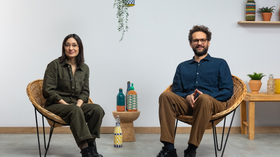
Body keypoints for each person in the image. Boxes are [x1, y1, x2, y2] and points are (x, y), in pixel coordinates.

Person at [157, 25, 233, 157]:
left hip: (213, 104)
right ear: (191, 44)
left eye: (202, 40)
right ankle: (169, 148)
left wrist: (207, 96)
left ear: (208, 42)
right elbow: (176, 90)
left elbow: (227, 91)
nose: (199, 43)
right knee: (165, 96)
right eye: (196, 40)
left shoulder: (220, 63)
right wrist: (186, 96)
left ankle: (191, 149)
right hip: (189, 105)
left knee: (203, 99)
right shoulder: (182, 66)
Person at [42, 34, 105, 157]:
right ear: (63, 48)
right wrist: (67, 105)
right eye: (67, 45)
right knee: (74, 110)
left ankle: (92, 146)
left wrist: (78, 105)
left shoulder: (85, 68)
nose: (71, 48)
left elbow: (85, 92)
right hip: (56, 105)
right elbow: (47, 90)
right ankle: (85, 150)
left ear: (79, 48)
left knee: (97, 110)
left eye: (74, 45)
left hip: (75, 105)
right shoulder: (54, 65)